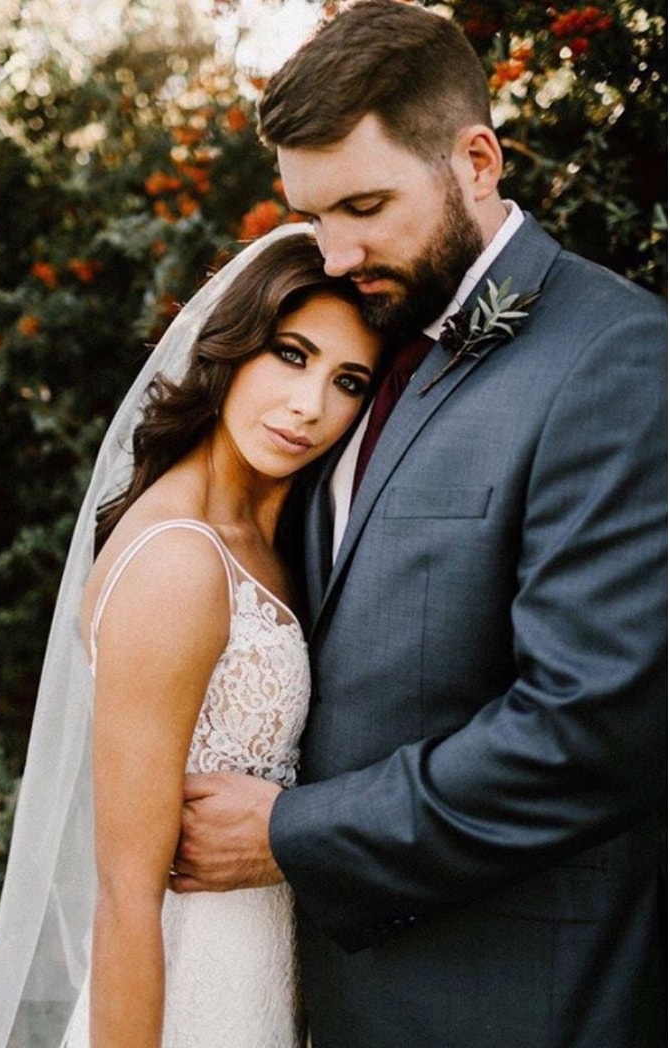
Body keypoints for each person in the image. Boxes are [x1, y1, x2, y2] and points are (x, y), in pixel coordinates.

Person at [171, 3, 668, 1047]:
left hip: (509, 998)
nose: (336, 251)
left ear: (475, 160)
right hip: (319, 989)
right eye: (312, 215)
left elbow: (588, 734)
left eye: (364, 204)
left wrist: (287, 835)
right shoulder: (348, 349)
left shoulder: (617, 361)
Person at [0, 224, 382, 1048]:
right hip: (192, 997)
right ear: (230, 348)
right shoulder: (178, 560)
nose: (311, 407)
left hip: (274, 978)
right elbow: (126, 892)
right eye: (291, 354)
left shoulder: (279, 538)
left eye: (347, 381)